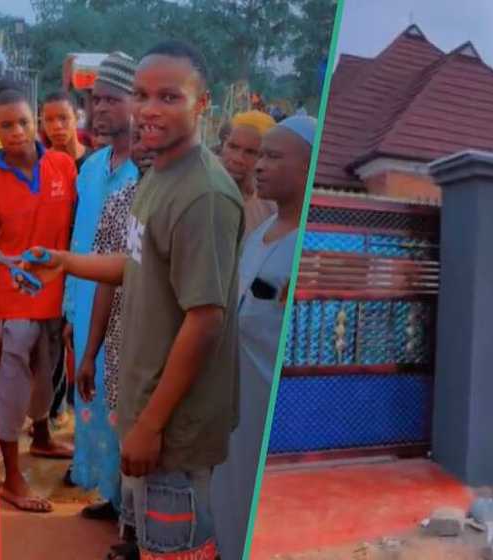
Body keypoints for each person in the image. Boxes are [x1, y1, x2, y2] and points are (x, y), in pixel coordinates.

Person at [21, 40, 242, 560]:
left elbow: (205, 321)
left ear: (202, 103)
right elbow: (134, 264)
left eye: (170, 97)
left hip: (174, 427)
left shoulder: (204, 195)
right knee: (152, 542)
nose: (149, 109)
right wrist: (64, 260)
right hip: (145, 405)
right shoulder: (158, 175)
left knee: (178, 549)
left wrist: (149, 426)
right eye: (142, 95)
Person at [211, 116, 315, 560]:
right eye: (259, 155)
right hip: (235, 409)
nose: (259, 166)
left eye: (273, 156)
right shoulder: (258, 235)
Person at [0, 79, 77, 513]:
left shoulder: (63, 169)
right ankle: (12, 478)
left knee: (47, 374)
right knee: (11, 387)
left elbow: (72, 228)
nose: (17, 132)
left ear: (35, 121)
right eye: (6, 126)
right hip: (13, 302)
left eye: (22, 122)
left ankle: (43, 436)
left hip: (56, 295)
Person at [63, 51, 139, 522]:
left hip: (129, 310)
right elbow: (77, 239)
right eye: (95, 100)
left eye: (112, 99)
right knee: (92, 403)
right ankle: (111, 496)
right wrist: (70, 308)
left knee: (124, 407)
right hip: (88, 302)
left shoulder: (146, 174)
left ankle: (131, 506)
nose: (100, 109)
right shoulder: (90, 169)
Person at [221, 110, 278, 235]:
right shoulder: (199, 192)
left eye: (250, 152)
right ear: (224, 144)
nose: (237, 159)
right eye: (233, 146)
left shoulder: (272, 210)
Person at [41, 91, 89, 169]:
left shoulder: (97, 161)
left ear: (76, 118)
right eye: (49, 120)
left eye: (63, 118)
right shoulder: (39, 165)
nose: (57, 126)